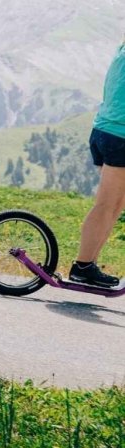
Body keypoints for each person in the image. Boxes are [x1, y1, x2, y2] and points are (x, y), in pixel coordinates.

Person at [69, 41, 125, 289]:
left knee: (115, 205)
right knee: (106, 205)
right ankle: (82, 266)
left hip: (104, 131)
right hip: (119, 137)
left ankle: (88, 266)